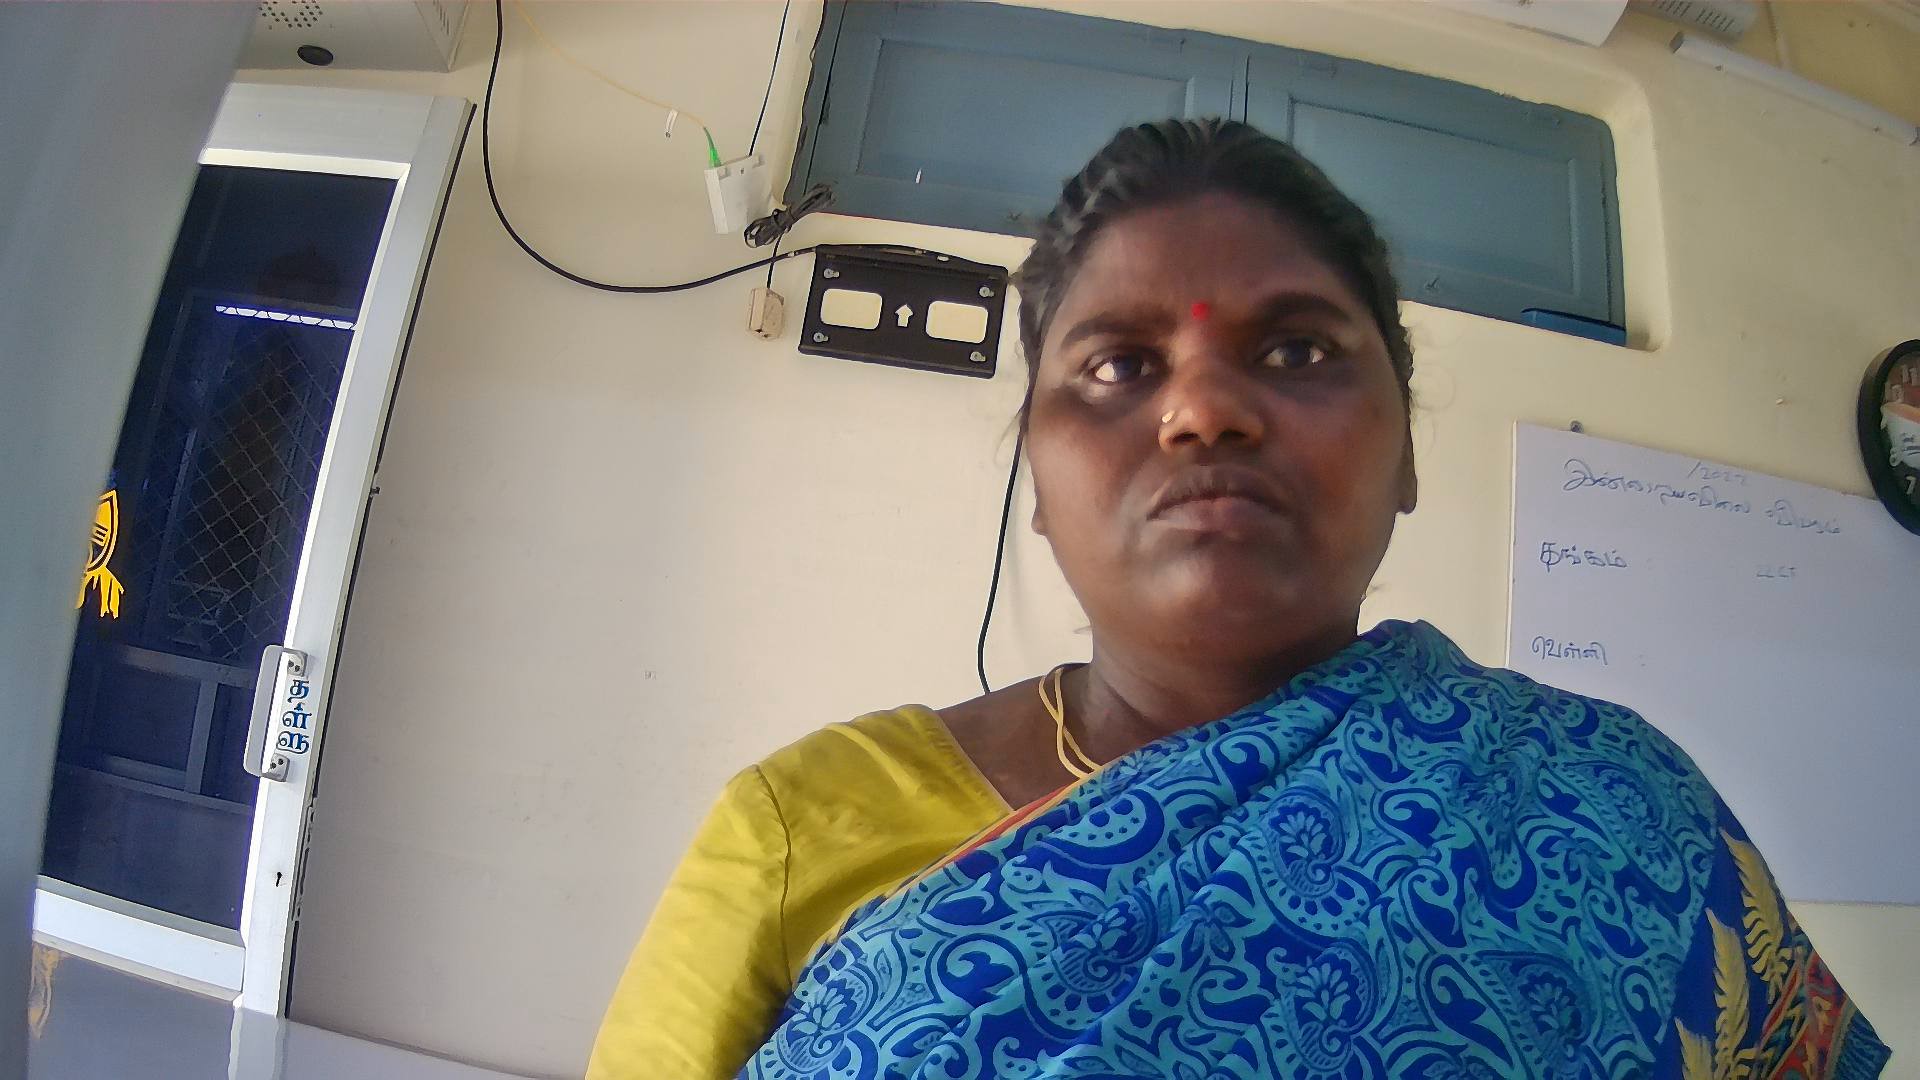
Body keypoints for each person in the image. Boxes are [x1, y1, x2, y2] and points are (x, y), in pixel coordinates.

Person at [586, 119, 1889, 1080]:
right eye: (1120, 365)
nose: (1204, 409)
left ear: (1407, 456)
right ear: (1035, 480)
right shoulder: (797, 827)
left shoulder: (1613, 803)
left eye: (1297, 349)